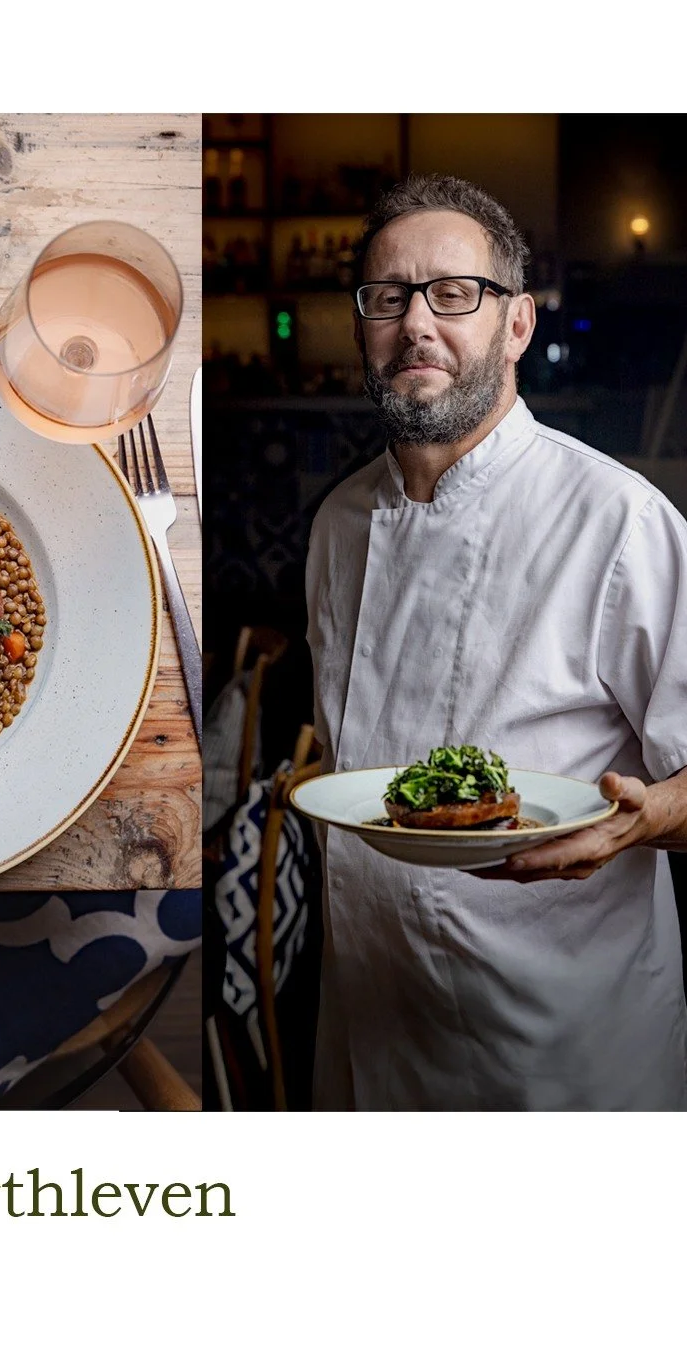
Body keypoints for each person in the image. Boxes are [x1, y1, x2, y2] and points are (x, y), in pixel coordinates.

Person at [304, 174, 687, 1110]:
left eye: (453, 294)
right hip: (369, 1024)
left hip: (560, 1059)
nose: (416, 324)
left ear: (516, 324)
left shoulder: (618, 522)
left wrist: (644, 819)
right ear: (361, 326)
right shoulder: (338, 524)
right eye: (388, 297)